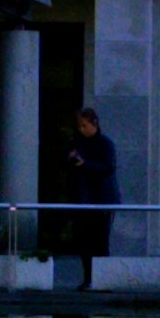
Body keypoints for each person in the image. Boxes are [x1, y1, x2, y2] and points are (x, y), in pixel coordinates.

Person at [47, 100, 119, 278]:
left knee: (100, 242)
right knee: (84, 242)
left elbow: (108, 167)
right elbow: (64, 162)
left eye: (84, 125)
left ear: (94, 123)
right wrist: (70, 158)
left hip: (101, 200)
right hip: (82, 199)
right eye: (79, 126)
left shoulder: (105, 144)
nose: (81, 129)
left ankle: (102, 278)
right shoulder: (77, 143)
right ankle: (88, 278)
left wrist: (85, 164)